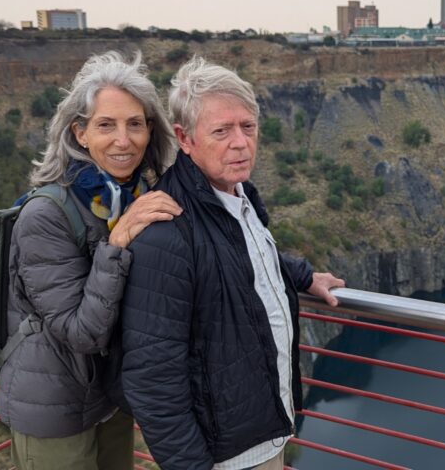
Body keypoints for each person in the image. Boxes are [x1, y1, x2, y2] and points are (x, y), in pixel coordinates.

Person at [120, 56, 346, 470]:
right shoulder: (167, 231)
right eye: (221, 131)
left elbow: (239, 257)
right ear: (185, 139)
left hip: (264, 431)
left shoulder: (234, 196)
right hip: (227, 455)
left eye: (248, 127)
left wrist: (300, 274)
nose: (240, 142)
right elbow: (151, 379)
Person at [0, 51, 183, 470]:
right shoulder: (45, 215)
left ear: (150, 130)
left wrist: (298, 274)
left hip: (111, 395)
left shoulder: (135, 197)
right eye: (106, 125)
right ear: (80, 133)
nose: (124, 140)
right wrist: (116, 244)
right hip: (54, 408)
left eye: (135, 123)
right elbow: (80, 332)